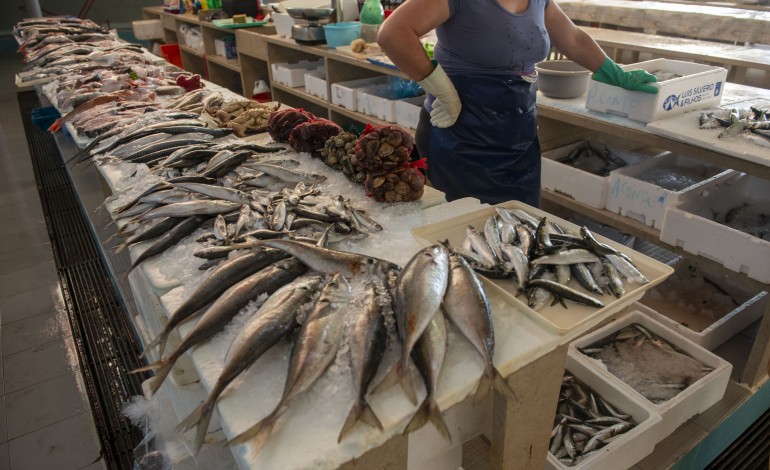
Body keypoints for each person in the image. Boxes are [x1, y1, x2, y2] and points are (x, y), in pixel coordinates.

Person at [377, 0, 658, 206]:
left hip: (516, 135)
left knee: (517, 229)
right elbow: (393, 33)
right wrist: (442, 90)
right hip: (459, 134)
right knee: (463, 234)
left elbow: (573, 38)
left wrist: (616, 73)